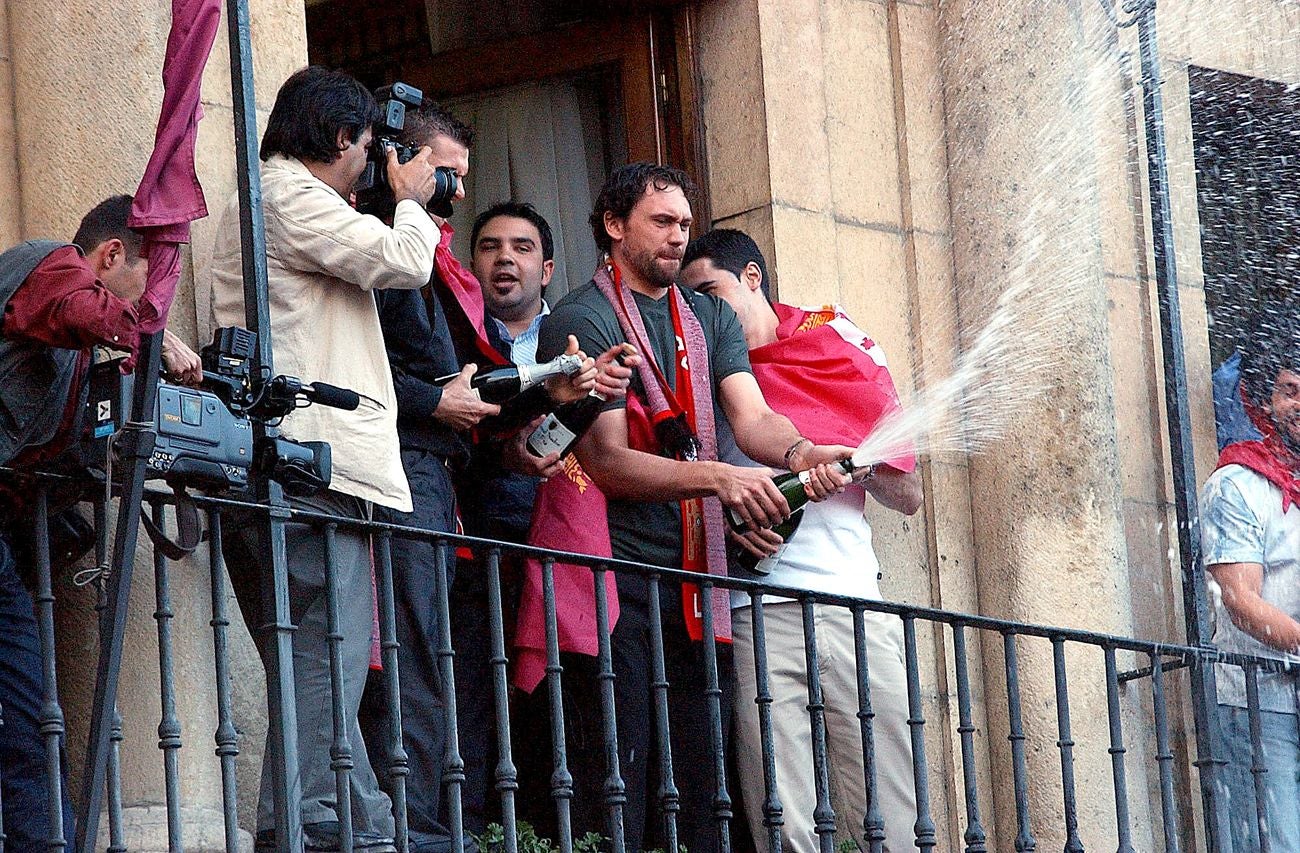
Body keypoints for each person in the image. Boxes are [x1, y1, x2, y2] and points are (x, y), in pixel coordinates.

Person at [533, 162, 853, 853]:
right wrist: (721, 481)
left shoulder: (707, 315)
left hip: (697, 592)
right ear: (615, 227)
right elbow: (608, 462)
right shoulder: (580, 316)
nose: (680, 236)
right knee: (618, 794)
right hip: (615, 588)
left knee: (705, 801)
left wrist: (802, 454)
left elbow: (753, 417)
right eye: (662, 221)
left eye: (684, 223)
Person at [209, 65, 448, 853]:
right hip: (308, 464)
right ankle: (311, 812)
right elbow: (404, 262)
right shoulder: (287, 195)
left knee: (315, 652)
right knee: (328, 643)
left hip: (294, 458)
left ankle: (354, 809)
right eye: (368, 146)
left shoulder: (281, 199)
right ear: (343, 138)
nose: (371, 161)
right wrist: (410, 201)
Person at [360, 107, 605, 847]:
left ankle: (441, 830)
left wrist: (553, 395)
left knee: (447, 679)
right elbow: (376, 369)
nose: (456, 195)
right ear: (400, 160)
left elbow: (470, 384)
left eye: (462, 177)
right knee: (416, 672)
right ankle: (419, 832)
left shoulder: (433, 262)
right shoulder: (380, 247)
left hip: (449, 494)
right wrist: (437, 400)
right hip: (407, 478)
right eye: (446, 175)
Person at [678, 228, 922, 853]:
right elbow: (688, 484)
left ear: (753, 277)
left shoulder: (831, 346)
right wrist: (733, 532)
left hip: (850, 600)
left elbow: (909, 497)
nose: (701, 311)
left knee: (888, 791)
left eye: (711, 291)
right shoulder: (698, 373)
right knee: (779, 806)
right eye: (690, 299)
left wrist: (863, 464)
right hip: (753, 607)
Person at [0, 194, 200, 851]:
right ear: (111, 255)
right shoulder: (47, 266)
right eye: (155, 285)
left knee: (30, 717)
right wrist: (146, 332)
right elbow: (73, 306)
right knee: (28, 712)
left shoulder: (82, 354)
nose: (159, 307)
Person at [1201, 320, 1300, 853]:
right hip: (1258, 703)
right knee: (1277, 843)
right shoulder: (1238, 483)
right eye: (1290, 390)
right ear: (1265, 400)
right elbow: (1240, 601)